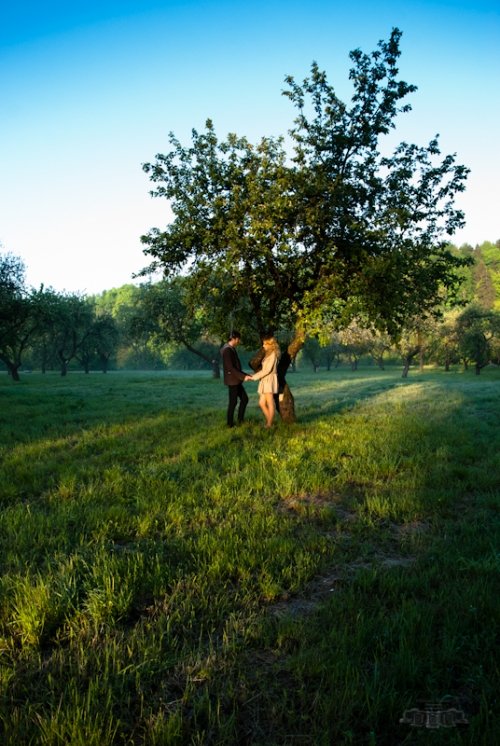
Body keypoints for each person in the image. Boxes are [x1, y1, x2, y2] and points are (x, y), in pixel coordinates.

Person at [249, 335, 281, 428]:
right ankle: (270, 422)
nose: (263, 346)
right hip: (264, 379)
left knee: (270, 402)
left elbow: (267, 370)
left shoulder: (274, 354)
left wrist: (254, 377)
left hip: (269, 380)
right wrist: (254, 375)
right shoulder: (268, 354)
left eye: (265, 344)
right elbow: (264, 369)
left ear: (270, 345)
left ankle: (269, 424)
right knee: (261, 403)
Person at [221, 330, 250, 428]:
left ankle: (240, 420)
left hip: (236, 380)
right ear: (233, 339)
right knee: (233, 402)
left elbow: (236, 367)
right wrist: (243, 376)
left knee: (244, 399)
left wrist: (245, 375)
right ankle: (230, 424)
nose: (239, 341)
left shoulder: (231, 348)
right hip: (233, 381)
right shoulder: (227, 350)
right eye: (238, 339)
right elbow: (231, 368)